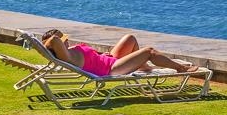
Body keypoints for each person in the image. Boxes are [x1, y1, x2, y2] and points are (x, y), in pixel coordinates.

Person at [39, 28, 195, 77]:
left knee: (130, 38)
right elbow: (53, 40)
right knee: (149, 51)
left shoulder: (69, 51)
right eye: (63, 39)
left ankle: (144, 67)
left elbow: (55, 41)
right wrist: (49, 42)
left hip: (110, 59)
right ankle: (180, 68)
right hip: (111, 69)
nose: (66, 40)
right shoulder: (67, 56)